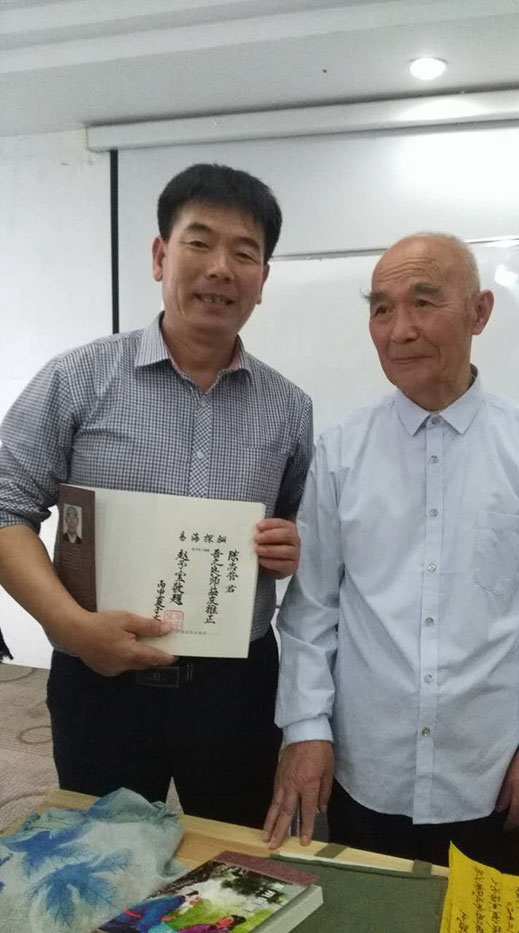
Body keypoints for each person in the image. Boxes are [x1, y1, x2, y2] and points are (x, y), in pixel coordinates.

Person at [263, 233, 519, 873]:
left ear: (479, 312)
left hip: (488, 769)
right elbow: (312, 609)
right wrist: (305, 729)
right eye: (381, 309)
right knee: (366, 909)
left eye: (423, 302)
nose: (400, 330)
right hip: (366, 765)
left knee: (482, 914)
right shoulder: (342, 450)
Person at [0, 163, 312, 828]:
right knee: (104, 853)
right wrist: (69, 626)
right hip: (100, 678)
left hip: (236, 687)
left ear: (263, 279)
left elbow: (293, 519)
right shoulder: (78, 378)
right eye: (199, 242)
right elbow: (6, 508)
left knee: (235, 852)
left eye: (244, 253)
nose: (220, 268)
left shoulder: (290, 408)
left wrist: (291, 543)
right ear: (159, 255)